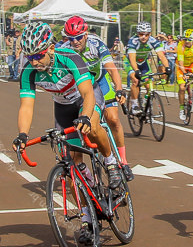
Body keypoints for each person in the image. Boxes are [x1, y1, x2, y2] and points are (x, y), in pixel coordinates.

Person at [13, 21, 125, 196]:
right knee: (71, 165)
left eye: (38, 56)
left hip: (86, 97)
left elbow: (88, 94)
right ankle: (87, 214)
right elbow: (26, 107)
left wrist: (86, 117)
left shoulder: (69, 58)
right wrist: (22, 135)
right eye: (29, 57)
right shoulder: (28, 72)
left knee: (93, 129)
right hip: (63, 107)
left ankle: (111, 162)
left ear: (50, 48)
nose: (34, 62)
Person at [58, 15, 132, 179]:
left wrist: (119, 89)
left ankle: (123, 161)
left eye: (78, 37)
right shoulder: (65, 49)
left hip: (100, 81)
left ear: (85, 34)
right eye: (71, 38)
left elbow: (112, 68)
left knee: (112, 119)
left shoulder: (96, 44)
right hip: (80, 88)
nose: (75, 41)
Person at [126, 22, 169, 115]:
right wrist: (136, 71)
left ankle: (146, 104)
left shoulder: (153, 41)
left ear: (150, 34)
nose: (144, 37)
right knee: (135, 81)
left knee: (150, 86)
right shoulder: (133, 42)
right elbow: (132, 59)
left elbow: (161, 56)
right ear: (138, 34)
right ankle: (134, 105)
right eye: (141, 34)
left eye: (147, 34)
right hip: (130, 62)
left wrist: (167, 68)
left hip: (143, 63)